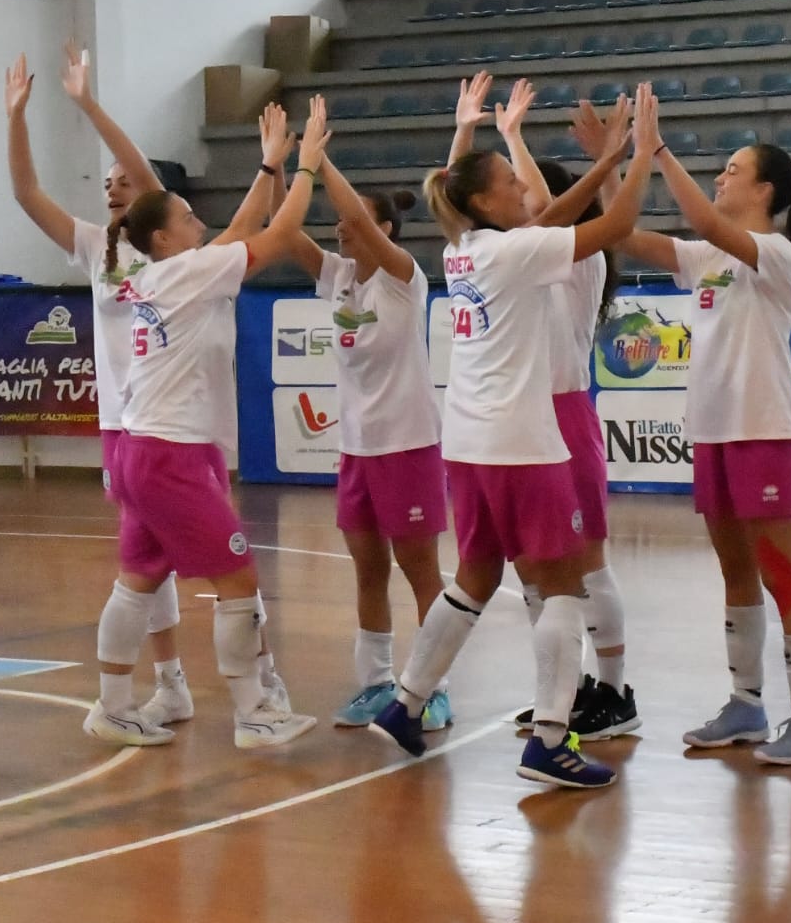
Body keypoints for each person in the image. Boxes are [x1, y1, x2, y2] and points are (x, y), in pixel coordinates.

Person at [368, 84, 664, 790]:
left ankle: (406, 701)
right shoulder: (510, 253)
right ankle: (553, 741)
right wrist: (635, 153)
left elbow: (527, 207)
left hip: (468, 442)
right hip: (524, 443)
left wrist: (468, 133)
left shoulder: (465, 250)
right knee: (562, 586)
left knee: (474, 579)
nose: (522, 188)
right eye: (509, 182)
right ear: (486, 203)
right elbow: (615, 221)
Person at [85, 98, 332, 750]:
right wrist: (304, 169)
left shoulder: (169, 273)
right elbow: (273, 238)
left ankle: (111, 705)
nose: (201, 221)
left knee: (136, 580)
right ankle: (254, 712)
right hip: (170, 454)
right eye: (188, 215)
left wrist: (268, 164)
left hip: (142, 447)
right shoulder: (192, 271)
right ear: (164, 236)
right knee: (237, 577)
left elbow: (237, 234)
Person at [597, 102, 791, 764]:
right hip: (715, 433)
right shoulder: (706, 254)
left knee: (784, 575)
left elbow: (701, 216)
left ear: (765, 191)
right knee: (736, 575)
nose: (722, 180)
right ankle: (746, 703)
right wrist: (615, 162)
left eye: (733, 172)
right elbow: (627, 235)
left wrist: (658, 152)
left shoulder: (775, 253)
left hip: (764, 431)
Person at [5, 44, 198, 728]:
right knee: (150, 555)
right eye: (107, 180)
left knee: (162, 555)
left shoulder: (166, 250)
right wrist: (17, 118)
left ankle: (176, 687)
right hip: (122, 424)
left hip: (170, 421)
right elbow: (26, 193)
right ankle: (170, 682)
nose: (113, 185)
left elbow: (147, 177)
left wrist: (88, 104)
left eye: (124, 180)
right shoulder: (96, 246)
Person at [455, 75, 636, 741]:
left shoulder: (574, 257)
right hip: (523, 422)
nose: (524, 201)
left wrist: (515, 139)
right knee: (541, 575)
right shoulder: (512, 256)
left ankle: (616, 690)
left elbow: (550, 209)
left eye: (532, 192)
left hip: (563, 416)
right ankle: (565, 689)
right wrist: (502, 134)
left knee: (586, 564)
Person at [277, 158, 452, 731]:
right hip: (357, 449)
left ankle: (433, 689)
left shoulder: (403, 280)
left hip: (408, 445)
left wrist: (323, 160)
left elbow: (352, 211)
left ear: (385, 231)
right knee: (368, 568)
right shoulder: (339, 277)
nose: (341, 229)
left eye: (354, 224)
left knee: (420, 569)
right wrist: (283, 167)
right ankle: (376, 684)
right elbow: (289, 228)